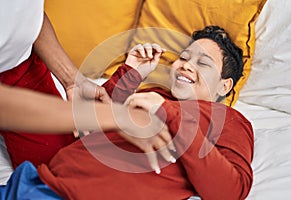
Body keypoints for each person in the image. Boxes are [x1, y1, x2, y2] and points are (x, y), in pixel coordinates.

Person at [0, 26, 254, 200]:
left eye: (203, 63)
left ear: (224, 85)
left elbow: (232, 191)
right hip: (34, 181)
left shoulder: (229, 120)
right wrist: (130, 73)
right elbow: (91, 122)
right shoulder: (154, 94)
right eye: (184, 57)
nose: (186, 64)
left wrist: (171, 113)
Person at [0, 0, 174, 171]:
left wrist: (73, 79)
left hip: (21, 64)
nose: (186, 65)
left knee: (53, 160)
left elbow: (25, 14)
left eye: (201, 62)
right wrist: (119, 114)